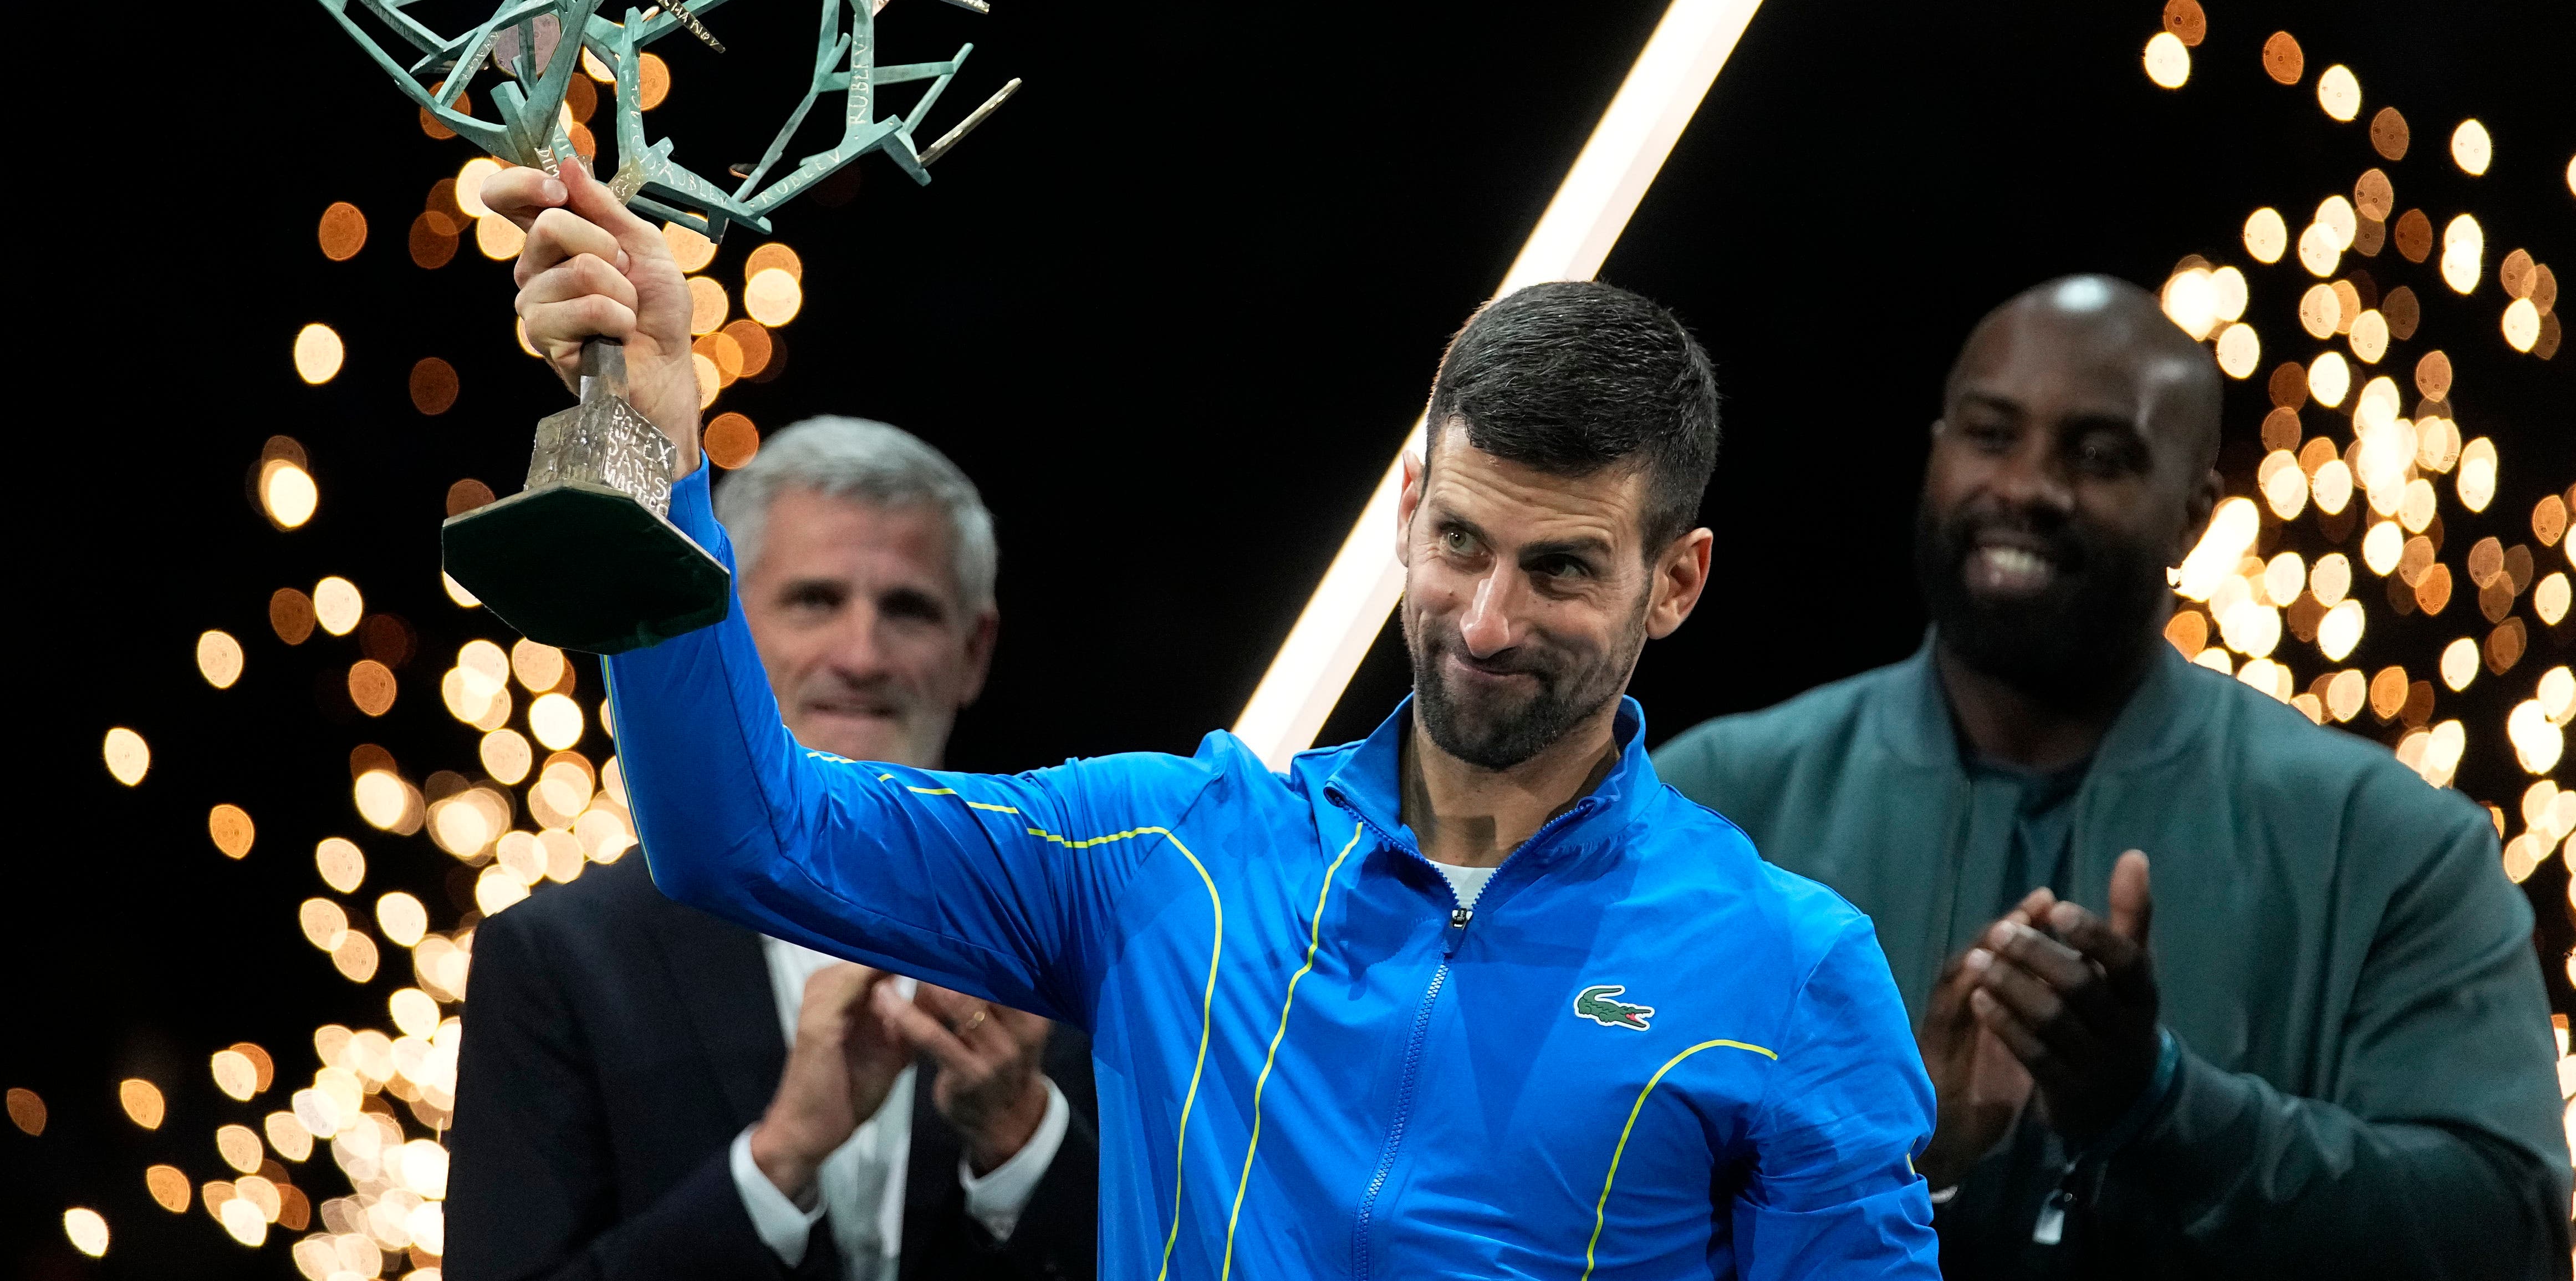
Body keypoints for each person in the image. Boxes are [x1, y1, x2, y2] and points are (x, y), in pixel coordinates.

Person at [477, 158, 1941, 1278]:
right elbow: (742, 834)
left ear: (1675, 582)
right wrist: (658, 447)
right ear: (1412, 511)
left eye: (1561, 569)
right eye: (1463, 546)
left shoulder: (1792, 970)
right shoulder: (1166, 852)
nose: (1488, 622)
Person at [1654, 274, 2570, 1277]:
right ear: (1935, 455)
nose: (2029, 487)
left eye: (2100, 455)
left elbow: (2506, 1228)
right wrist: (1908, 1152)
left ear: (2193, 518)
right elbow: (1560, 1201)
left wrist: (2166, 1109)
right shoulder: (1709, 808)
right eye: (1991, 435)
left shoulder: (2395, 844)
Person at [447, 417, 1099, 1281]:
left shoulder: (1084, 941)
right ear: (732, 624)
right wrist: (776, 1161)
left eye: (907, 608)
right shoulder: (560, 956)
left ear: (974, 651)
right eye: (814, 600)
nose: (860, 655)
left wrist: (1022, 1139)